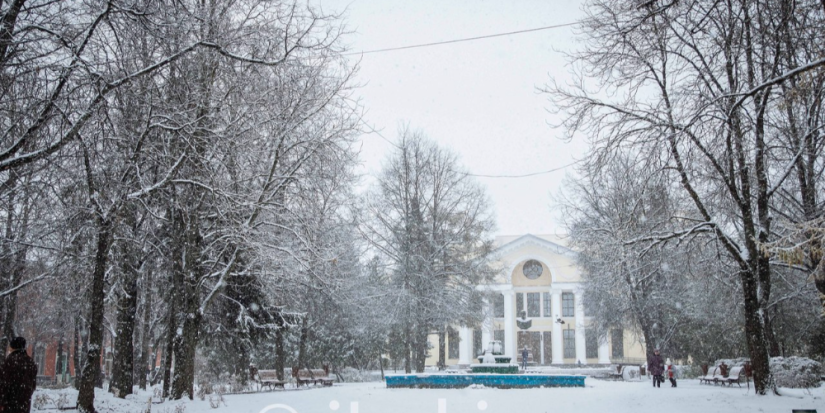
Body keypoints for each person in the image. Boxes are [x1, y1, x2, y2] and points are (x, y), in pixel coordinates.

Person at [0, 337, 38, 413]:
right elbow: (32, 385)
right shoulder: (30, 362)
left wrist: (2, 402)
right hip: (24, 404)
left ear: (13, 347)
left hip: (9, 403)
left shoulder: (9, 361)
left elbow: (4, 384)